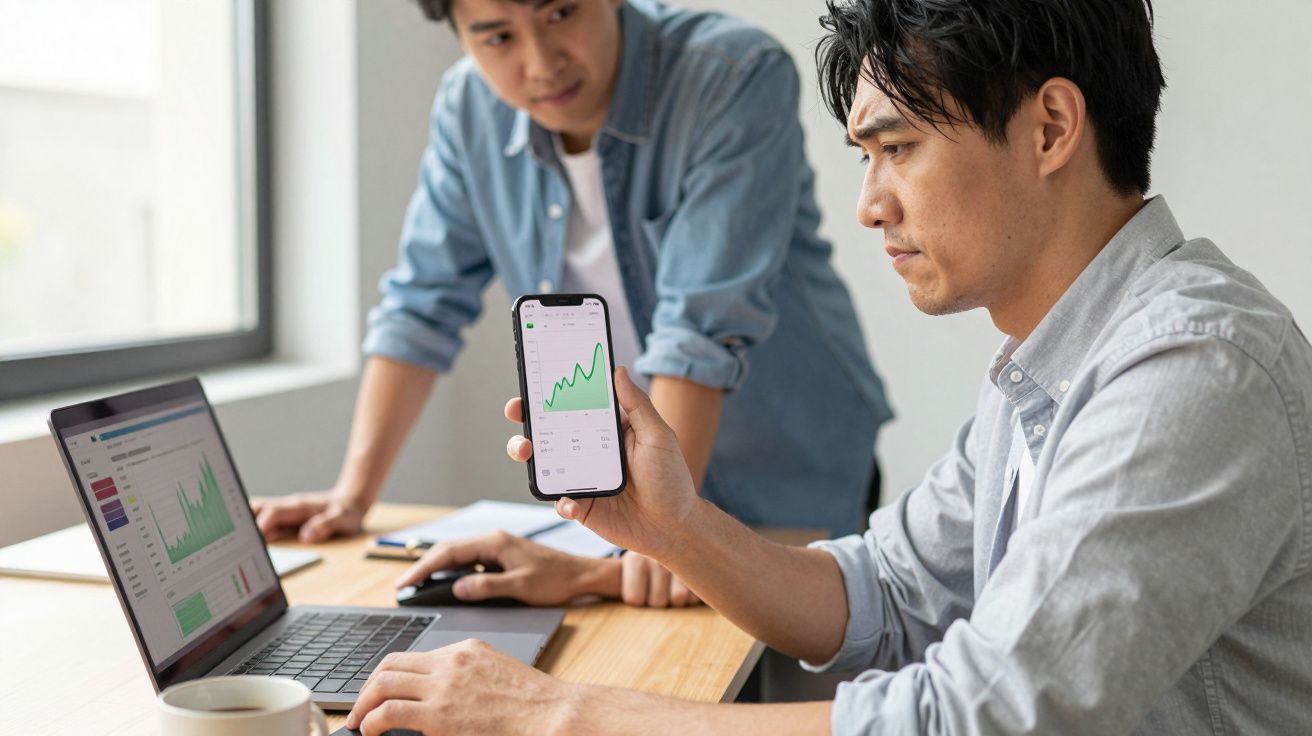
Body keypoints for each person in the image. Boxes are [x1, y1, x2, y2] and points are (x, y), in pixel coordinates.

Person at [344, 0, 1312, 733]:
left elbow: (975, 717)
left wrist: (559, 712)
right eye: (864, 156)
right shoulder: (1046, 365)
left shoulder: (1189, 371)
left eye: (898, 148)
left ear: (1051, 127)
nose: (869, 205)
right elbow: (885, 591)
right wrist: (673, 526)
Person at [249, 0, 892, 608]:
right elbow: (421, 304)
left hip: (783, 469)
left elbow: (701, 329)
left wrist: (665, 532)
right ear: (460, 34)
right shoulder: (468, 108)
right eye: (497, 35)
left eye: (560, 12)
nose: (541, 62)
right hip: (637, 497)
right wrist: (351, 496)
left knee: (803, 690)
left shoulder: (730, 75)